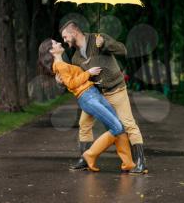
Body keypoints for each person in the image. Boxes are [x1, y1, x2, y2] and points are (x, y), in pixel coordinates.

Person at [59, 20, 148, 174]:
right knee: (84, 124)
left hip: (116, 90)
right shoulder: (75, 58)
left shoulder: (98, 39)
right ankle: (85, 160)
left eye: (65, 37)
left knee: (128, 124)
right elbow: (76, 81)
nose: (64, 40)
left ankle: (141, 162)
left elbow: (123, 50)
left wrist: (105, 44)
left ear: (74, 33)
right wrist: (61, 82)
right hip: (96, 96)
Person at [38, 38, 136, 172]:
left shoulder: (62, 64)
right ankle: (90, 155)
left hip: (93, 93)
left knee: (118, 125)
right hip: (87, 97)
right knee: (117, 127)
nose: (60, 43)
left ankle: (128, 163)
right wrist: (88, 73)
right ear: (51, 50)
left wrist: (86, 66)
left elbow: (74, 76)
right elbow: (72, 84)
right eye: (55, 43)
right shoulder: (59, 66)